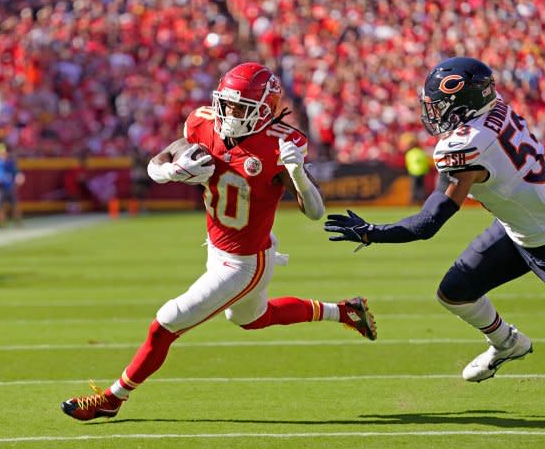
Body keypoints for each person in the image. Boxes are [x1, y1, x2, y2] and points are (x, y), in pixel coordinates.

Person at [61, 62, 377, 421]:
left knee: (166, 323)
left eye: (242, 107)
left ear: (265, 111)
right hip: (219, 248)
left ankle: (112, 398)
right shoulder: (204, 122)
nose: (230, 113)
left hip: (245, 263)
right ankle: (345, 311)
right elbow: (159, 159)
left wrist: (299, 175)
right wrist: (168, 172)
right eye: (227, 103)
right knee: (252, 319)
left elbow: (315, 212)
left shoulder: (279, 145)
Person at [324, 57, 543, 383]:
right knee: (456, 291)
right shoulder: (495, 109)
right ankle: (506, 343)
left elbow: (428, 222)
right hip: (519, 227)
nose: (435, 114)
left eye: (441, 106)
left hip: (540, 234)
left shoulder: (468, 146)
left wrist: (372, 233)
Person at [0, 143, 25, 227]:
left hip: (10, 186)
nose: (3, 154)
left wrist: (19, 178)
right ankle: (2, 224)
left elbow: (17, 172)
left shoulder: (10, 162)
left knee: (15, 206)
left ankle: (18, 223)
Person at [402, 133, 430, 205]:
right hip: (422, 172)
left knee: (414, 188)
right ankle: (422, 201)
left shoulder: (410, 152)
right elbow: (425, 162)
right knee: (421, 188)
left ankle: (414, 201)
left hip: (414, 172)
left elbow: (408, 163)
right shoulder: (421, 152)